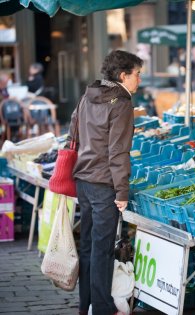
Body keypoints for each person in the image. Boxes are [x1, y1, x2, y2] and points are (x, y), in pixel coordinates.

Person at [67, 50, 143, 315]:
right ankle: (102, 309)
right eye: (137, 74)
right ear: (123, 75)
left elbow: (73, 132)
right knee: (101, 249)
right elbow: (118, 152)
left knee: (88, 246)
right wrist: (122, 191)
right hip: (103, 184)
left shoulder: (88, 96)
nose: (139, 80)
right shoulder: (121, 103)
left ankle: (85, 304)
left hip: (84, 180)